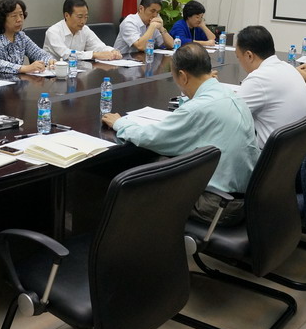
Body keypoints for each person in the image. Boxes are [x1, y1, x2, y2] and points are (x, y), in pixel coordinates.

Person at [101, 43, 259, 226]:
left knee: (139, 179)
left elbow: (151, 137)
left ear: (183, 76)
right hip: (243, 199)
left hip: (217, 205)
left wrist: (120, 123)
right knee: (162, 163)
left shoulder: (198, 109)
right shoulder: (229, 94)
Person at [234, 25, 306, 148]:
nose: (239, 62)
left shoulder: (258, 79)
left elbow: (228, 116)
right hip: (299, 150)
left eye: (238, 57)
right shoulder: (288, 67)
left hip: (273, 156)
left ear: (249, 55)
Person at [0, 0, 53, 75]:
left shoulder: (21, 37)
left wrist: (50, 61)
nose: (19, 19)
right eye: (14, 16)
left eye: (21, 14)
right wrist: (25, 68)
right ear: (2, 19)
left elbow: (39, 54)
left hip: (16, 81)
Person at [43, 0, 121, 61]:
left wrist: (112, 51)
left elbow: (98, 46)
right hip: (54, 71)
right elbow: (66, 54)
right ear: (67, 15)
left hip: (78, 70)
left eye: (86, 17)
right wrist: (94, 55)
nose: (83, 21)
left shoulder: (84, 29)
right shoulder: (53, 32)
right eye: (80, 17)